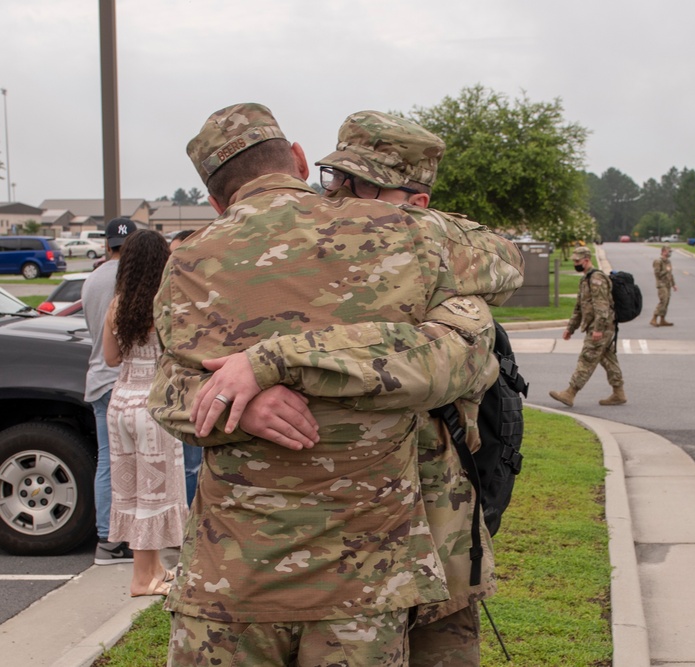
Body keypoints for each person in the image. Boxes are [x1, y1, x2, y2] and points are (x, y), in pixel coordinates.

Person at [148, 103, 504, 666]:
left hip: (230, 579)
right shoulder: (404, 234)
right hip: (364, 584)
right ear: (296, 159)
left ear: (216, 201)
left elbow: (167, 392)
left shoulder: (189, 259)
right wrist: (244, 398)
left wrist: (252, 379)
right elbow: (471, 327)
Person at [315, 110, 524, 665]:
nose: (335, 197)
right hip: (338, 540)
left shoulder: (447, 266)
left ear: (416, 205)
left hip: (438, 521)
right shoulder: (314, 253)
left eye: (356, 185)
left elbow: (506, 260)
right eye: (331, 179)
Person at [102, 230, 187, 597]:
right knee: (155, 493)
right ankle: (143, 579)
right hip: (153, 406)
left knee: (131, 489)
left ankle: (153, 569)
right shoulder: (163, 302)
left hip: (120, 402)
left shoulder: (117, 304)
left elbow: (110, 358)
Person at [81, 216, 137, 565]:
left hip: (98, 378)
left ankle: (107, 538)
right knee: (140, 461)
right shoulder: (133, 281)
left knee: (107, 460)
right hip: (127, 380)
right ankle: (133, 536)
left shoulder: (91, 280)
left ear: (106, 245)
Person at [549, 245, 627, 407]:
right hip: (598, 326)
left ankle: (570, 393)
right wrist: (570, 328)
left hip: (601, 327)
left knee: (587, 358)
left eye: (577, 261)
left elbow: (602, 306)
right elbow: (580, 307)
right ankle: (619, 393)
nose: (575, 263)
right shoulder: (585, 279)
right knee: (608, 359)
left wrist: (598, 329)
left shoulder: (596, 279)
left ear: (586, 260)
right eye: (574, 260)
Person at [167, 229, 201, 506]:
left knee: (193, 466)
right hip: (177, 391)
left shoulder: (202, 293)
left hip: (199, 392)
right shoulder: (168, 293)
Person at [651, 243, 678, 327]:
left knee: (667, 302)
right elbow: (657, 274)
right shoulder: (658, 261)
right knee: (663, 301)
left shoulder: (668, 261)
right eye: (668, 251)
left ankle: (662, 319)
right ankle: (654, 318)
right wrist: (666, 270)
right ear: (663, 252)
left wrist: (673, 284)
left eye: (670, 252)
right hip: (661, 284)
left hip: (667, 284)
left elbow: (670, 274)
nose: (669, 253)